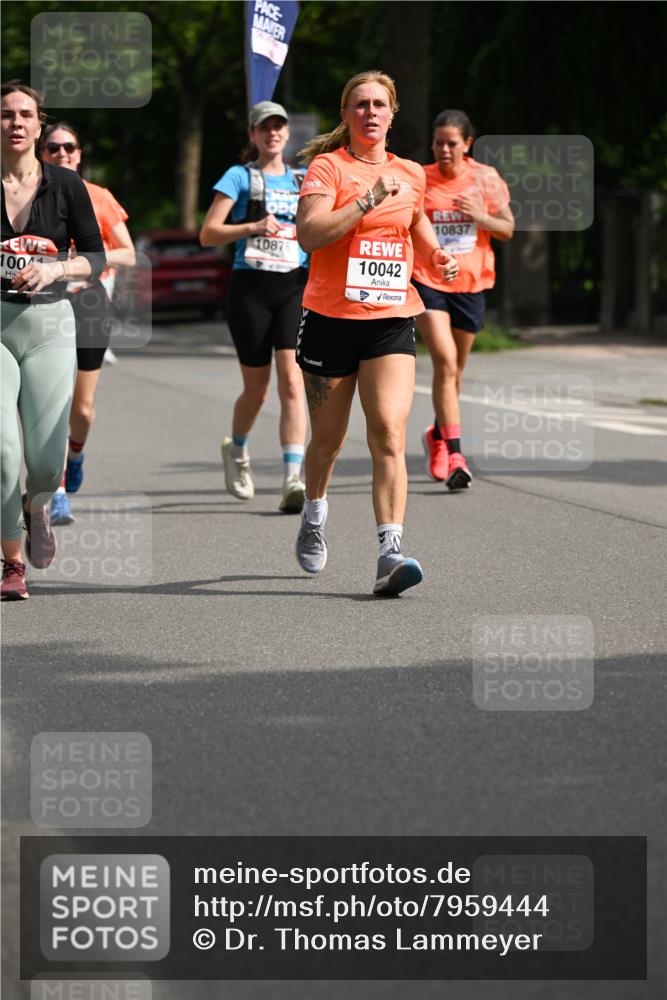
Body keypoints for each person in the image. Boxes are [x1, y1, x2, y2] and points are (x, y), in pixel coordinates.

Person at [294, 70, 459, 596]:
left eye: (379, 105)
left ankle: (391, 550)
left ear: (392, 114)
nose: (369, 113)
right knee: (327, 443)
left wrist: (434, 254)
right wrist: (365, 201)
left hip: (390, 316)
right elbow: (309, 233)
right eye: (360, 104)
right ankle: (315, 511)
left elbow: (415, 222)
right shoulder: (328, 167)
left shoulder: (411, 172)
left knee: (388, 429)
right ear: (346, 115)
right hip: (329, 320)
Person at [1, 81, 104, 600]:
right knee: (1, 451)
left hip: (50, 325)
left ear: (39, 125)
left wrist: (57, 269)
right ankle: (11, 561)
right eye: (5, 114)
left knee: (44, 459)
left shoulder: (65, 185)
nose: (16, 122)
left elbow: (97, 256)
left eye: (25, 114)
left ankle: (36, 504)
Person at [200, 101, 308, 514]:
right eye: (265, 128)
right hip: (250, 288)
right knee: (257, 391)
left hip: (294, 286)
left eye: (279, 126)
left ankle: (292, 479)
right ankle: (238, 449)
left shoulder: (302, 179)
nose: (273, 133)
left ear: (286, 133)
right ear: (253, 135)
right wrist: (252, 226)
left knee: (293, 383)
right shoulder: (239, 176)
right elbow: (209, 233)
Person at [39, 122, 136, 525]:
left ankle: (76, 454)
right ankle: (57, 490)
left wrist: (85, 260)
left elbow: (128, 254)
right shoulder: (33, 195)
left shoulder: (98, 197)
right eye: (53, 148)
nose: (62, 154)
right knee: (53, 403)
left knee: (83, 406)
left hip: (90, 300)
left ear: (79, 154)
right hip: (45, 302)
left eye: (69, 148)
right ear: (42, 153)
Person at [412, 109, 514, 490]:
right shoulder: (420, 177)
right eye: (438, 142)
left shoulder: (485, 179)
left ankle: (436, 435)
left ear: (467, 144)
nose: (443, 149)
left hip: (470, 284)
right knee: (445, 361)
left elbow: (507, 229)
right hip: (429, 278)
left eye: (451, 143)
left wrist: (480, 216)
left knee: (455, 374)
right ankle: (455, 453)